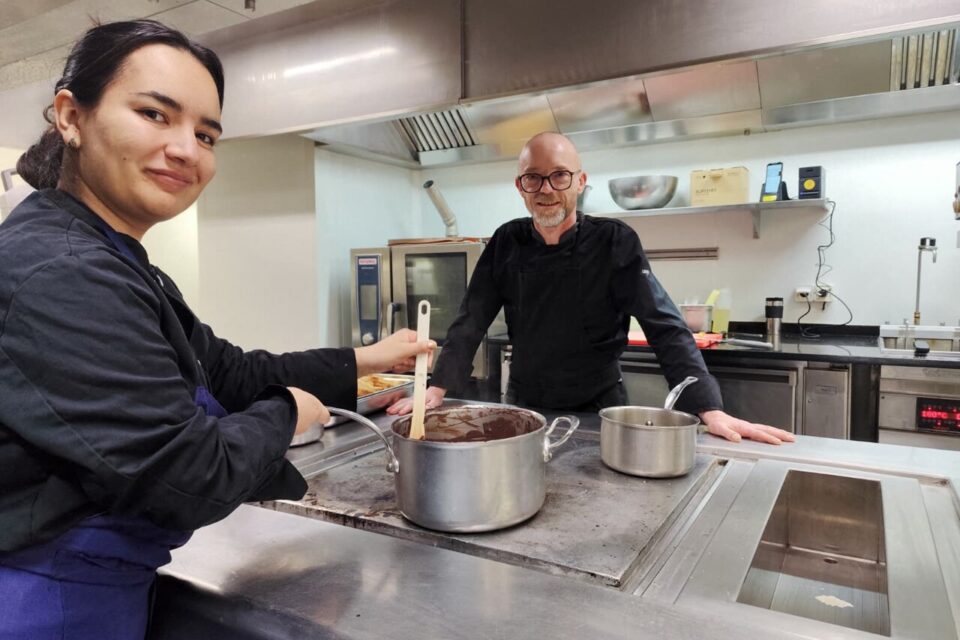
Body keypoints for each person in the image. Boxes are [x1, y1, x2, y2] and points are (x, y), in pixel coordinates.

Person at [0, 20, 433, 640]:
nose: (186, 149)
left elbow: (230, 370)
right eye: (155, 114)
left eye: (206, 134)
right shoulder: (58, 273)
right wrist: (289, 412)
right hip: (44, 599)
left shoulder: (115, 260)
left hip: (99, 582)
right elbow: (184, 477)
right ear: (71, 117)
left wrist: (367, 358)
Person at [389, 132, 793, 446]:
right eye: (534, 177)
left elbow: (664, 324)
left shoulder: (615, 242)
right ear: (520, 186)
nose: (546, 188)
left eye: (559, 175)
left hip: (600, 404)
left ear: (579, 181)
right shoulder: (506, 242)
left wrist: (708, 408)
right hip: (527, 403)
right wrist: (437, 387)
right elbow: (471, 317)